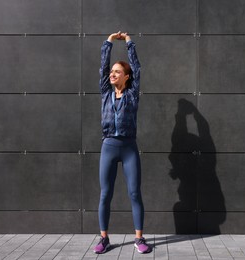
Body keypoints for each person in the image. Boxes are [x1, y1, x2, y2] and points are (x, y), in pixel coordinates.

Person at [93, 31, 150, 254]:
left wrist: (128, 42)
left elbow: (137, 67)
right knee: (105, 194)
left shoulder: (133, 94)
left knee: (134, 193)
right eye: (112, 72)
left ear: (127, 76)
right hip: (108, 146)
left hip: (128, 148)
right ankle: (104, 238)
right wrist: (108, 42)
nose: (112, 74)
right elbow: (102, 66)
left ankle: (139, 239)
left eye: (117, 72)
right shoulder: (106, 93)